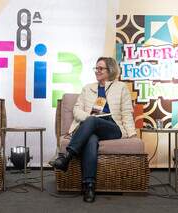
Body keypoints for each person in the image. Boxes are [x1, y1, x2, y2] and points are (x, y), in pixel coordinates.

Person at [49, 57, 137, 203]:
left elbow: (127, 112)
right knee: (91, 137)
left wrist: (132, 133)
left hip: (112, 126)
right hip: (91, 126)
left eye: (100, 68)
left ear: (111, 70)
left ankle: (67, 157)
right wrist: (89, 118)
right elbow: (77, 110)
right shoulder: (87, 88)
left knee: (93, 121)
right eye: (96, 68)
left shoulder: (121, 87)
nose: (97, 71)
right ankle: (89, 185)